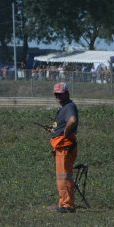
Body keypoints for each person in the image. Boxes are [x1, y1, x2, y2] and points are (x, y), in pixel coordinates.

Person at [49, 82, 79, 213]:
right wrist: (54, 130)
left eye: (60, 94)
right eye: (56, 94)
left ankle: (67, 205)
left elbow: (72, 120)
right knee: (62, 176)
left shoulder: (69, 107)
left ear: (67, 94)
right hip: (61, 147)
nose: (58, 97)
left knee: (63, 176)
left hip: (65, 147)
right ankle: (63, 203)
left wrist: (65, 132)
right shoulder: (63, 107)